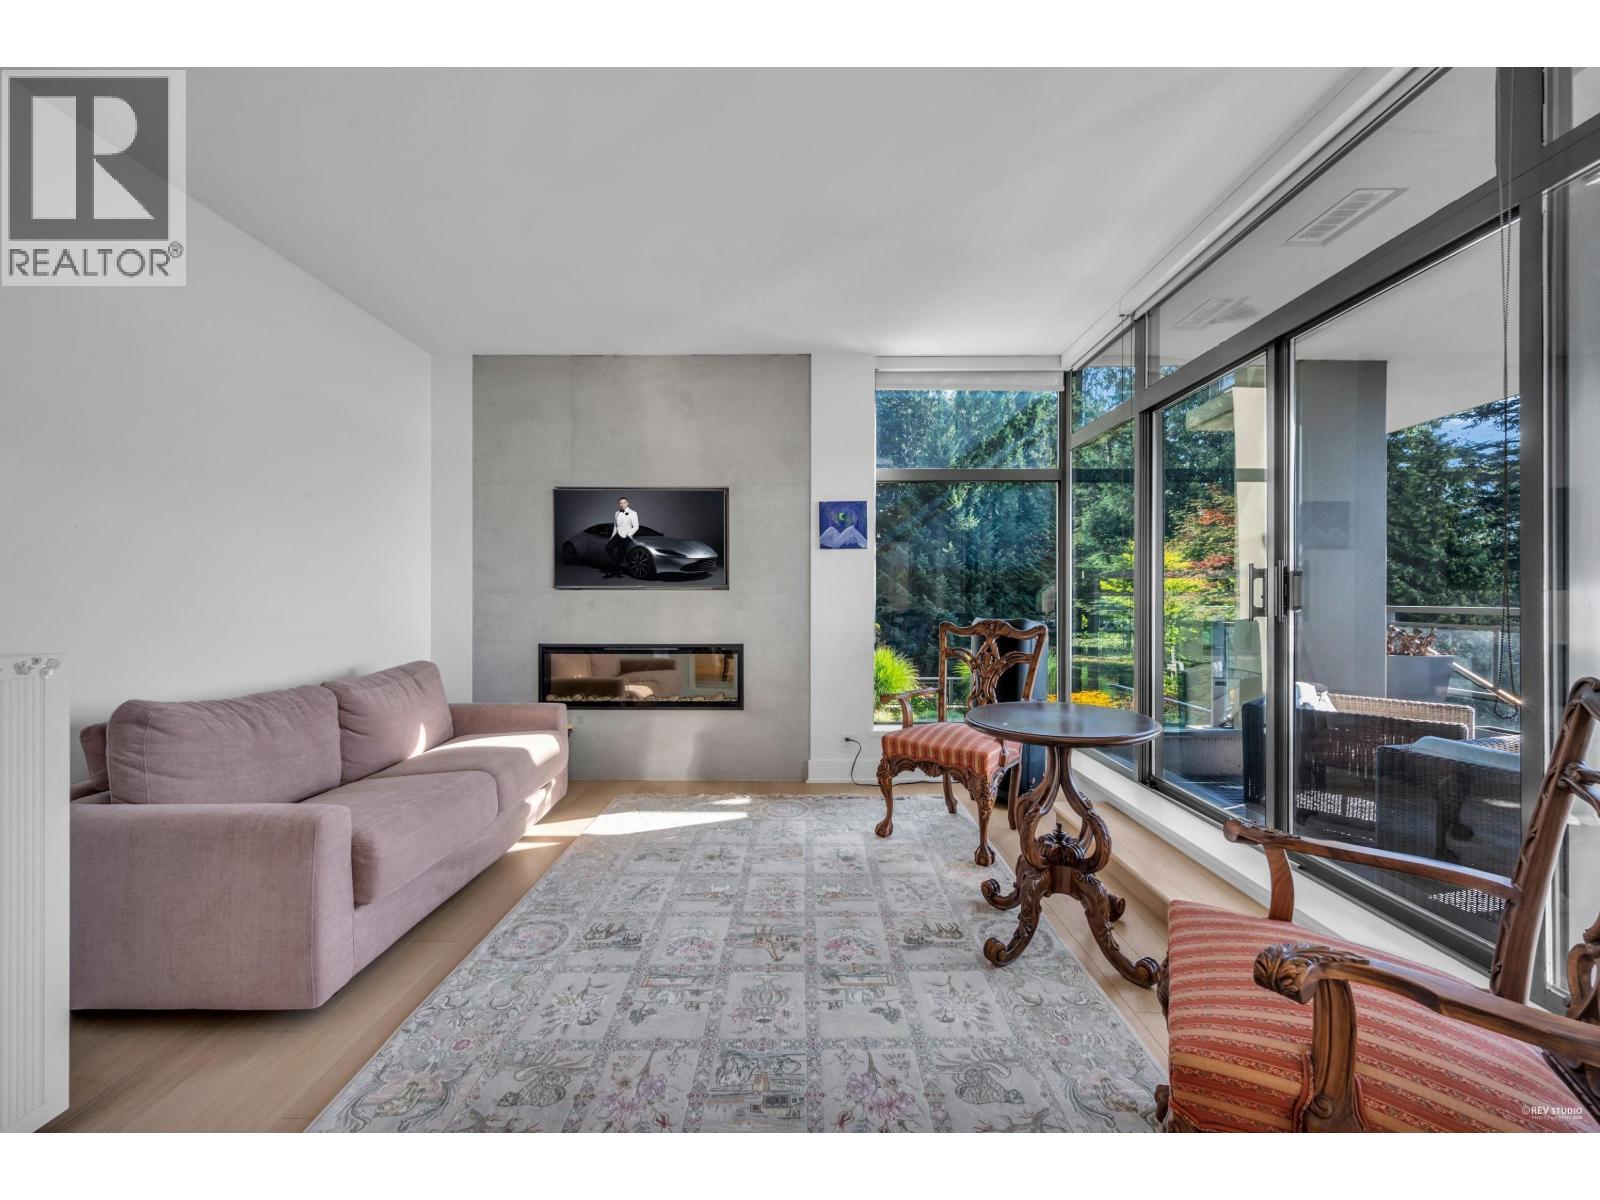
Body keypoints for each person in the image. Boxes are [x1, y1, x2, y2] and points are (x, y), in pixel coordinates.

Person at [604, 496, 640, 577]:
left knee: (620, 554)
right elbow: (615, 526)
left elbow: (636, 526)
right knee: (608, 547)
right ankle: (619, 568)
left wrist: (628, 535)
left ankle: (616, 571)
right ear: (619, 504)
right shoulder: (616, 513)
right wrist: (612, 537)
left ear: (627, 503)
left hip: (626, 536)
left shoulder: (633, 513)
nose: (622, 504)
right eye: (620, 503)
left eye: (624, 502)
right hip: (617, 535)